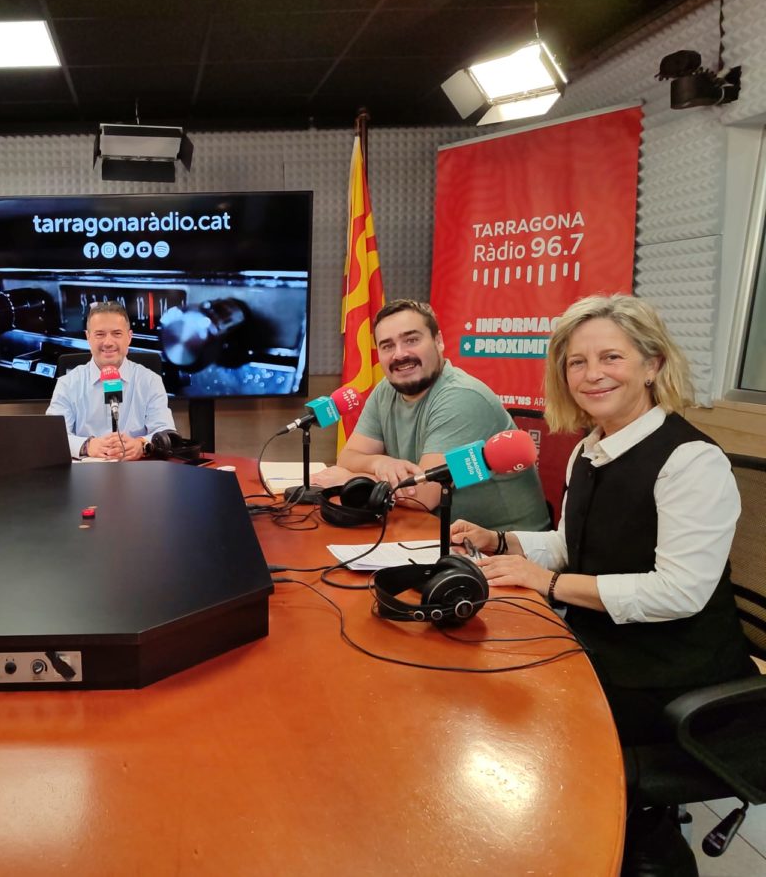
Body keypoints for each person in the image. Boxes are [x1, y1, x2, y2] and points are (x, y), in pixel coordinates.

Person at [450, 294, 755, 874]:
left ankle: (628, 842)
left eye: (610, 357)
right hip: (603, 647)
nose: (592, 375)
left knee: (526, 735)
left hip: (674, 672)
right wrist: (504, 543)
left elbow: (679, 591)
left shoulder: (691, 460)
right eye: (576, 362)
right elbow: (573, 547)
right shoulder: (588, 451)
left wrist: (551, 584)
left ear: (652, 364)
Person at [313, 299, 549, 530]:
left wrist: (352, 482)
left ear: (438, 341)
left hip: (502, 548)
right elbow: (348, 457)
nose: (399, 354)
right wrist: (379, 461)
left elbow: (424, 495)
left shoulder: (460, 396)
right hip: (433, 531)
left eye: (411, 340)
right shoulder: (387, 389)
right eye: (387, 346)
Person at [46, 301, 175, 460]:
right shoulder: (67, 383)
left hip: (138, 475)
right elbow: (52, 437)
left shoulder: (150, 381)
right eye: (100, 334)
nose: (108, 342)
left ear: (129, 337)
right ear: (88, 337)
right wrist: (87, 445)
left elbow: (166, 432)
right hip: (85, 477)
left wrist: (141, 445)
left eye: (117, 333)